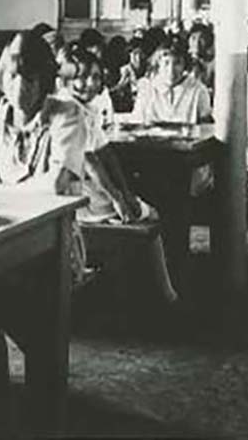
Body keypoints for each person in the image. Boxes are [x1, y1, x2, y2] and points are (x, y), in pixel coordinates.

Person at [57, 47, 177, 302]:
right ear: (67, 78)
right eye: (82, 77)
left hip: (93, 191)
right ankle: (165, 295)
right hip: (78, 200)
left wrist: (126, 192)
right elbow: (90, 161)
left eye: (96, 77)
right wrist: (117, 198)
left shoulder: (87, 108)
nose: (90, 83)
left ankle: (152, 290)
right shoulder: (69, 109)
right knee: (149, 219)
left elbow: (106, 152)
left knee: (143, 211)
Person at [0, 31, 89, 281]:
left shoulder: (67, 115)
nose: (20, 86)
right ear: (2, 78)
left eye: (30, 78)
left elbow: (56, 184)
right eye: (13, 76)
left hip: (53, 243)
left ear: (44, 80)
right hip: (0, 236)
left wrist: (0, 191)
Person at [132, 36, 213, 125]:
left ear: (185, 64)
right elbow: (137, 123)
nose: (171, 70)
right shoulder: (147, 89)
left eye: (177, 63)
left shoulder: (198, 90)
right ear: (158, 63)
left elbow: (206, 127)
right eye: (166, 63)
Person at [187, 22, 215, 92]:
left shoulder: (213, 63)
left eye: (201, 38)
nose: (197, 42)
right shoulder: (187, 63)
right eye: (193, 38)